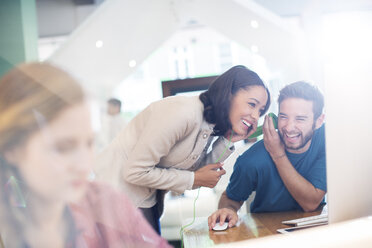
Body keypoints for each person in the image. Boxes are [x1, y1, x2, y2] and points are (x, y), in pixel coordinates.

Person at [0, 62, 171, 248]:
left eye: (89, 143)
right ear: (12, 148)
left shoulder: (106, 202)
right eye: (63, 148)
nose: (84, 165)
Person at [95, 65, 271, 234]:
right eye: (252, 104)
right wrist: (194, 178)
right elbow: (134, 171)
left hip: (144, 197)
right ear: (229, 94)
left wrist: (227, 140)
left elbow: (197, 174)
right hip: (116, 197)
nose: (256, 116)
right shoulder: (183, 112)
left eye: (260, 110)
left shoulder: (208, 123)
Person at [208, 81, 326, 230]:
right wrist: (227, 211)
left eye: (300, 119)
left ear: (319, 121)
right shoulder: (251, 160)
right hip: (269, 233)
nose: (289, 128)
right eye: (283, 117)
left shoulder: (328, 141)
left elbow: (311, 202)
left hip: (317, 231)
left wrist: (278, 154)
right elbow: (230, 200)